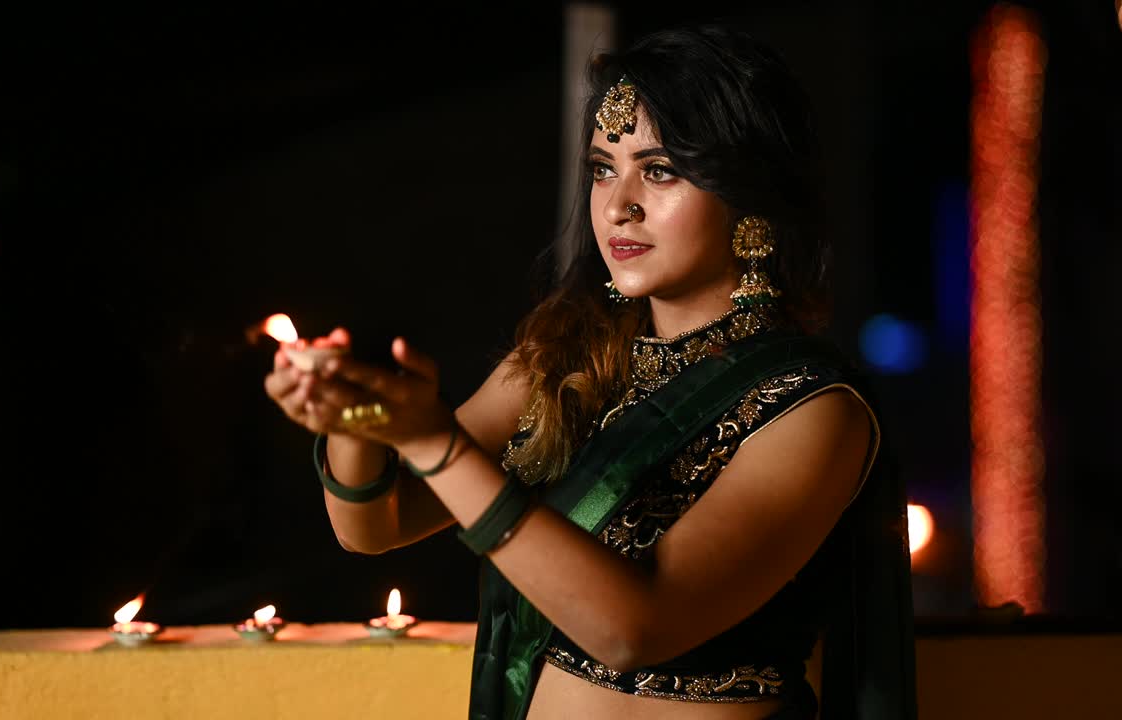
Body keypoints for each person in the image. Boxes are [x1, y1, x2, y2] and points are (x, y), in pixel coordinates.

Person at [264, 26, 915, 720]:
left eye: (659, 170)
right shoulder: (570, 356)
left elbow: (633, 629)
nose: (616, 205)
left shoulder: (812, 408)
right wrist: (355, 421)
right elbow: (374, 528)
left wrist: (433, 444)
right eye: (604, 167)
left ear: (749, 196)